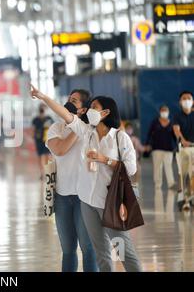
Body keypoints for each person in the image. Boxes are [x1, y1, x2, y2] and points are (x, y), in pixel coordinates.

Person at [31, 84, 142, 272]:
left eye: (94, 108)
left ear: (106, 112)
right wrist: (43, 97)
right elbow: (65, 118)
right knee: (101, 252)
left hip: (109, 203)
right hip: (87, 202)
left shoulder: (120, 138)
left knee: (122, 250)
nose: (90, 111)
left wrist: (105, 159)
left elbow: (131, 168)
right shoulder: (87, 132)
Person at [46, 89, 98, 272]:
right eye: (68, 99)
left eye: (74, 101)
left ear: (83, 109)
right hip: (62, 198)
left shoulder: (91, 130)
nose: (68, 103)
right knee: (68, 250)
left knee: (89, 249)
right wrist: (77, 127)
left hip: (85, 198)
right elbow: (60, 150)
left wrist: (81, 125)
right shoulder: (56, 128)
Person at [146, 105, 176, 189]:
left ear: (168, 112)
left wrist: (177, 146)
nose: (164, 112)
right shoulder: (155, 122)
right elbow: (149, 134)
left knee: (168, 166)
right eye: (162, 110)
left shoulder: (172, 123)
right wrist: (148, 144)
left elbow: (174, 136)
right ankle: (158, 184)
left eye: (166, 110)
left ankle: (171, 184)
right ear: (160, 112)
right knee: (157, 167)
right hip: (157, 148)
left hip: (169, 149)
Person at [173, 91, 194, 205]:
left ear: (193, 101)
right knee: (183, 174)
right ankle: (181, 197)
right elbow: (176, 130)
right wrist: (183, 140)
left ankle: (192, 196)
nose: (186, 100)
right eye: (184, 98)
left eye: (189, 98)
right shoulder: (177, 116)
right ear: (180, 102)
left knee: (193, 173)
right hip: (183, 149)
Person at [32, 104, 54, 180]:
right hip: (39, 141)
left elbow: (52, 129)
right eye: (41, 109)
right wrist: (33, 137)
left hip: (47, 140)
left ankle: (48, 173)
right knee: (40, 157)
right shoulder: (36, 119)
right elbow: (34, 130)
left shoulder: (49, 119)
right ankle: (42, 173)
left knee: (48, 157)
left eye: (44, 109)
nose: (42, 110)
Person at [124, 122, 150, 187]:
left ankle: (136, 183)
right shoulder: (123, 138)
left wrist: (146, 148)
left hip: (134, 159)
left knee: (138, 169)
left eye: (130, 128)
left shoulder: (135, 139)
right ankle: (127, 184)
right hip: (125, 159)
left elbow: (140, 148)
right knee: (126, 173)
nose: (129, 130)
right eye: (127, 128)